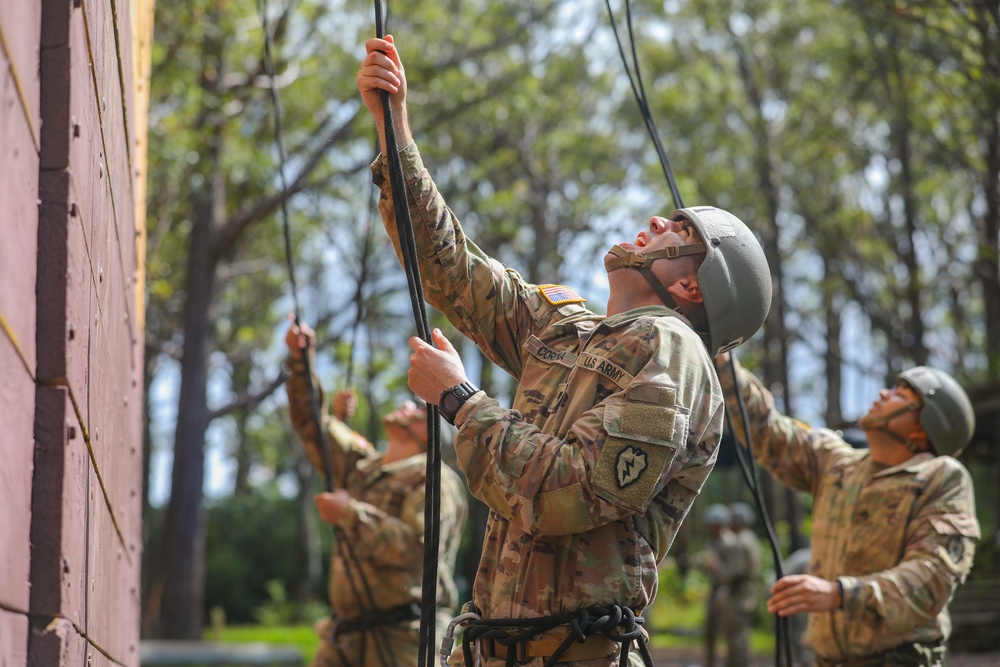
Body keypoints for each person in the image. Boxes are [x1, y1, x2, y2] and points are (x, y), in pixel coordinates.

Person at [356, 35, 772, 667]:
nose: (658, 222)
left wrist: (462, 402)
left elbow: (566, 492)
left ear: (690, 286)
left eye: (680, 233)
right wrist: (396, 131)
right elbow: (450, 271)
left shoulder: (672, 349)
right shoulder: (565, 331)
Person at [718, 356, 980, 666]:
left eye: (900, 394)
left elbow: (930, 578)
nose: (883, 393)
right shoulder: (838, 464)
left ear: (924, 428)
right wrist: (723, 361)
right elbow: (766, 429)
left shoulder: (940, 476)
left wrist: (840, 593)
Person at [285, 322, 469, 667]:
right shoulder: (363, 466)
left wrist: (350, 515)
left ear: (431, 431)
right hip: (346, 637)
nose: (406, 404)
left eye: (418, 407)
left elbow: (420, 550)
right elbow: (314, 425)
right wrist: (301, 361)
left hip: (404, 639)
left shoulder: (436, 480)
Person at [695, 504, 736, 667]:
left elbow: (733, 572)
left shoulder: (730, 543)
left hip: (729, 594)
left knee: (729, 635)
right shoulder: (715, 542)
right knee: (710, 633)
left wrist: (715, 567)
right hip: (716, 592)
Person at [724, 502, 760, 667]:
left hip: (740, 594)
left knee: (737, 638)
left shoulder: (741, 542)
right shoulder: (751, 538)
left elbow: (735, 572)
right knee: (741, 636)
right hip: (747, 593)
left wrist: (718, 571)